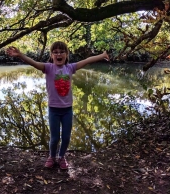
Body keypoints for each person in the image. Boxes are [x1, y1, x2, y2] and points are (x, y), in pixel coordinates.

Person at [6, 41, 110, 170]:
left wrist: (102, 55)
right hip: (53, 110)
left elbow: (87, 60)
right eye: (55, 52)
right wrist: (20, 55)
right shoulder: (48, 68)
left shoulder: (70, 68)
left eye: (61, 52)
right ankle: (51, 156)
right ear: (51, 55)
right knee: (54, 138)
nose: (58, 54)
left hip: (67, 110)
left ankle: (61, 157)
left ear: (66, 54)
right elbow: (34, 63)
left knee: (66, 137)